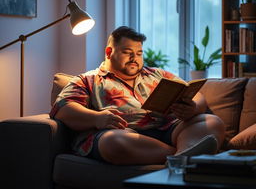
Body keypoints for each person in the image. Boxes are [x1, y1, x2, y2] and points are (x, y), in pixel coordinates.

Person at [50, 26, 225, 165]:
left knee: (211, 122)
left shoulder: (157, 74)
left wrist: (193, 107)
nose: (135, 58)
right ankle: (184, 155)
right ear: (109, 52)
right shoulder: (88, 80)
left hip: (168, 129)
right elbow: (63, 109)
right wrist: (97, 118)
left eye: (139, 53)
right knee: (113, 143)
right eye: (128, 53)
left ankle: (182, 156)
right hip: (126, 134)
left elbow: (195, 94)